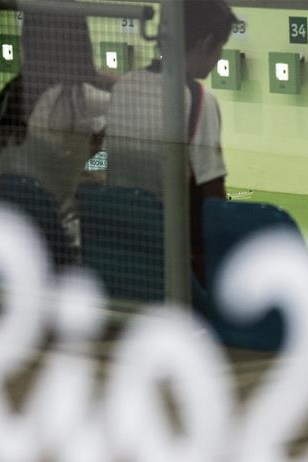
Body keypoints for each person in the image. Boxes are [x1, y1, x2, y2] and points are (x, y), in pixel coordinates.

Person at [106, 0, 237, 285]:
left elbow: (105, 158)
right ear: (205, 42)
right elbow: (212, 193)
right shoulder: (199, 99)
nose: (219, 57)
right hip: (174, 257)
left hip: (120, 245)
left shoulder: (125, 84)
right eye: (220, 45)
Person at [0, 13, 113, 247]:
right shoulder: (72, 98)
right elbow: (134, 96)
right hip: (58, 237)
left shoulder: (10, 95)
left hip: (14, 231)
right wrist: (97, 75)